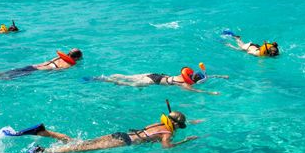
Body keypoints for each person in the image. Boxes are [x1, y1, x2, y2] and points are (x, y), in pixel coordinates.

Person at [3, 108, 197, 153]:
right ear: (177, 126)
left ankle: (46, 133)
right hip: (123, 142)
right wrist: (186, 141)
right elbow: (167, 148)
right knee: (82, 149)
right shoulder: (167, 133)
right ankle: (42, 151)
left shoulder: (158, 124)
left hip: (121, 134)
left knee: (84, 142)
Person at [91, 65, 227, 95]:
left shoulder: (185, 76)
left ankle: (109, 75)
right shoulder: (184, 84)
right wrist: (210, 93)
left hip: (154, 74)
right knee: (128, 84)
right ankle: (104, 80)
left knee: (127, 77)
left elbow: (204, 76)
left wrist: (219, 76)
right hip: (151, 81)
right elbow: (196, 91)